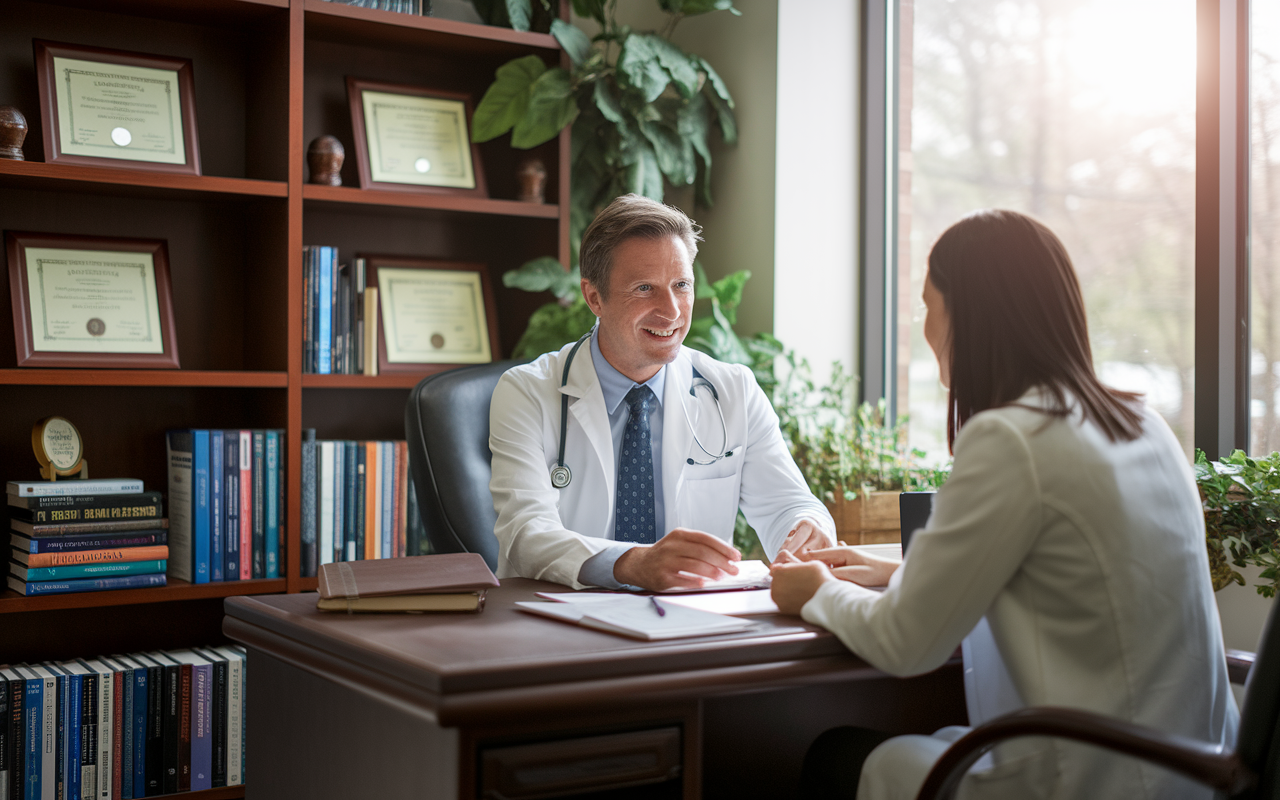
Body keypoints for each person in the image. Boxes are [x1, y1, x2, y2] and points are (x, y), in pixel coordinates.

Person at [771, 209, 1239, 799]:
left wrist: (814, 590)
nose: (925, 326)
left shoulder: (1011, 438)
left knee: (831, 756)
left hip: (1091, 781)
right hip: (1195, 774)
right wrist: (903, 574)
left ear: (967, 312)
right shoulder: (1143, 424)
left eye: (927, 305)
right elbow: (1076, 580)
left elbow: (905, 643)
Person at [489, 194, 835, 591]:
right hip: (562, 623)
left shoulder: (732, 390)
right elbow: (525, 535)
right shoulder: (527, 393)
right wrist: (632, 563)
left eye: (681, 285)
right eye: (644, 288)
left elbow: (789, 504)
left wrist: (808, 528)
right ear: (594, 297)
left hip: (690, 621)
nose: (671, 310)